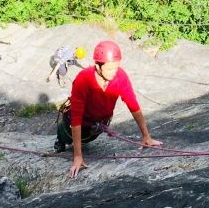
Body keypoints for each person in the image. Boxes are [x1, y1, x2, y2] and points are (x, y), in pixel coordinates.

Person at [56, 40, 161, 177]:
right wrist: (77, 156)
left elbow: (133, 104)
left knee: (88, 140)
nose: (113, 72)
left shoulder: (120, 76)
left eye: (115, 68)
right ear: (98, 67)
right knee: (67, 136)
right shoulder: (84, 79)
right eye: (109, 69)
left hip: (99, 125)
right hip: (79, 124)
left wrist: (146, 136)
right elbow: (76, 117)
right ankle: (60, 138)